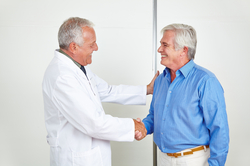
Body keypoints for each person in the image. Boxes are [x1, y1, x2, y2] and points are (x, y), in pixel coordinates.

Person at [42, 17, 158, 166]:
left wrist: (147, 90)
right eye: (92, 44)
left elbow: (108, 91)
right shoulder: (62, 77)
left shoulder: (78, 68)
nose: (96, 48)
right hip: (73, 158)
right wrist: (132, 126)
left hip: (88, 155)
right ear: (74, 47)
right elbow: (94, 123)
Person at [136, 23, 229, 166]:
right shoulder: (161, 80)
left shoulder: (205, 81)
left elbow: (219, 129)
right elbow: (154, 117)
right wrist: (143, 128)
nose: (159, 49)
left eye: (165, 45)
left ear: (183, 50)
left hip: (194, 160)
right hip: (164, 159)